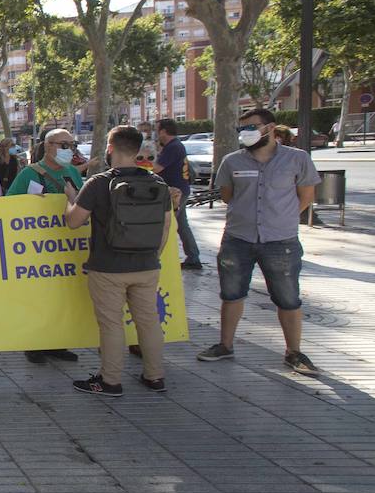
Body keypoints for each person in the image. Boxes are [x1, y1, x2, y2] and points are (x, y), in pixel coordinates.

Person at [197, 107, 321, 376]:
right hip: (237, 239)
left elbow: (306, 196)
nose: (246, 133)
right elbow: (228, 196)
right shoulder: (232, 161)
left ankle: (294, 352)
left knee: (288, 298)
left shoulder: (297, 159)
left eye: (252, 127)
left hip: (280, 241)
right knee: (231, 295)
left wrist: (282, 219)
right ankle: (225, 345)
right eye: (242, 129)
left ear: (270, 128)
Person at [64, 125, 174, 397]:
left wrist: (70, 200)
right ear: (138, 150)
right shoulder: (157, 184)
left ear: (110, 148)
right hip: (147, 265)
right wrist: (153, 256)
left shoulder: (99, 183)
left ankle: (110, 381)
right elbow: (166, 227)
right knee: (149, 322)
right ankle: (155, 376)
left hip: (108, 266)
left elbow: (74, 222)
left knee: (112, 325)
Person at [7, 128, 85, 365]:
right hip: (36, 248)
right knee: (38, 297)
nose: (68, 150)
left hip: (65, 246)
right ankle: (35, 344)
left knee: (61, 297)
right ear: (48, 146)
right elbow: (7, 206)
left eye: (71, 145)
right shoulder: (29, 174)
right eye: (64, 145)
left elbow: (82, 202)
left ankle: (58, 343)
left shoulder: (72, 172)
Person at [153, 118, 203, 270]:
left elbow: (157, 168)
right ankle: (193, 256)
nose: (156, 133)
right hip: (179, 189)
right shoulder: (174, 146)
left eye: (157, 130)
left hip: (176, 192)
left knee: (167, 223)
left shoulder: (172, 147)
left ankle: (165, 256)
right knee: (181, 224)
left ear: (163, 131)